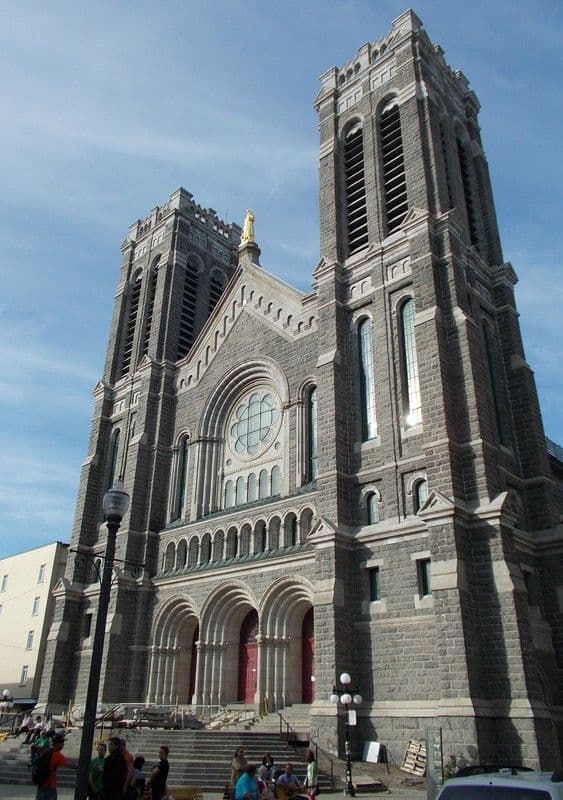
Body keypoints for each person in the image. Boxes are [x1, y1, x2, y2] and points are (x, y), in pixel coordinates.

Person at [35, 732, 77, 800]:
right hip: (50, 785)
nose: (63, 744)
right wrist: (81, 766)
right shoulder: (57, 755)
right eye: (62, 742)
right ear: (58, 743)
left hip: (41, 783)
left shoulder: (47, 750)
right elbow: (69, 764)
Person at [102, 736, 128, 800]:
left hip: (110, 790)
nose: (109, 746)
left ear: (116, 746)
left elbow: (105, 774)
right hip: (116, 789)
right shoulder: (122, 759)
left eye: (111, 744)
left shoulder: (110, 759)